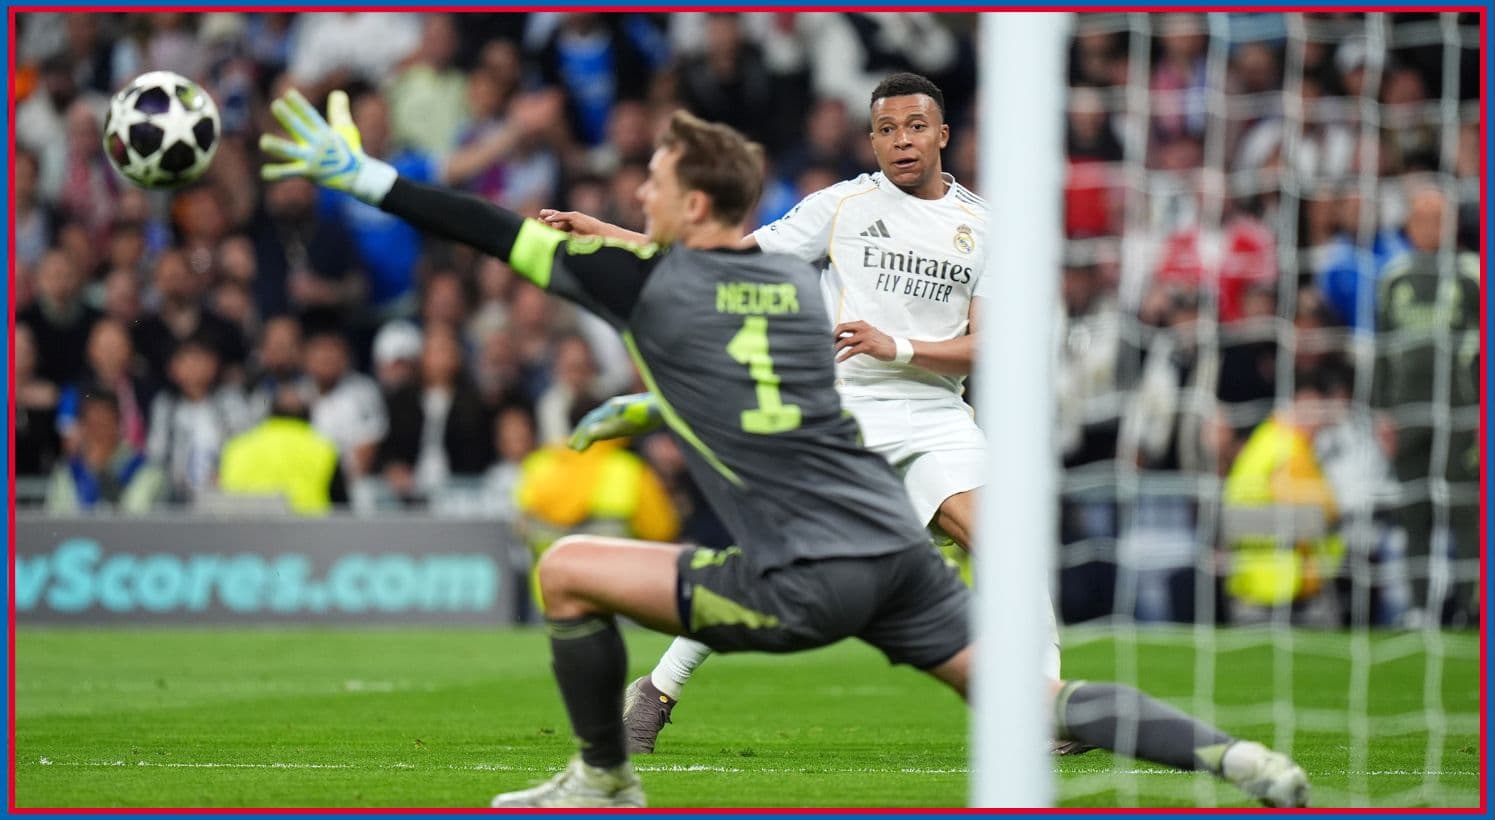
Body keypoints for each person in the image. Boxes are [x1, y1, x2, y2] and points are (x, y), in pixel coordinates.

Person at [260, 87, 1309, 808]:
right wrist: (645, 411)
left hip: (810, 580)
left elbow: (486, 227)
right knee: (1033, 696)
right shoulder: (793, 292)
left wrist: (367, 179)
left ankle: (605, 776)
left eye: (656, 184)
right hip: (897, 570)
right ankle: (1236, 757)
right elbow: (768, 401)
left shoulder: (651, 287)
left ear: (693, 204)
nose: (639, 196)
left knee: (566, 568)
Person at [547, 72, 1061, 755]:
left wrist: (898, 344)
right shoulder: (841, 206)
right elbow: (722, 258)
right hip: (846, 414)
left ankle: (1048, 710)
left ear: (941, 134)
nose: (900, 141)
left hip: (936, 415)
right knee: (775, 564)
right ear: (871, 140)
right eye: (885, 129)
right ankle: (658, 689)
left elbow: (986, 347)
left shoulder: (983, 225)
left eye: (914, 127)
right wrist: (610, 236)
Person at [219, 384, 347, 515]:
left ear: (271, 412)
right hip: (309, 531)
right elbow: (342, 508)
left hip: (242, 531)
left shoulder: (237, 447)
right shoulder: (323, 449)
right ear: (308, 414)